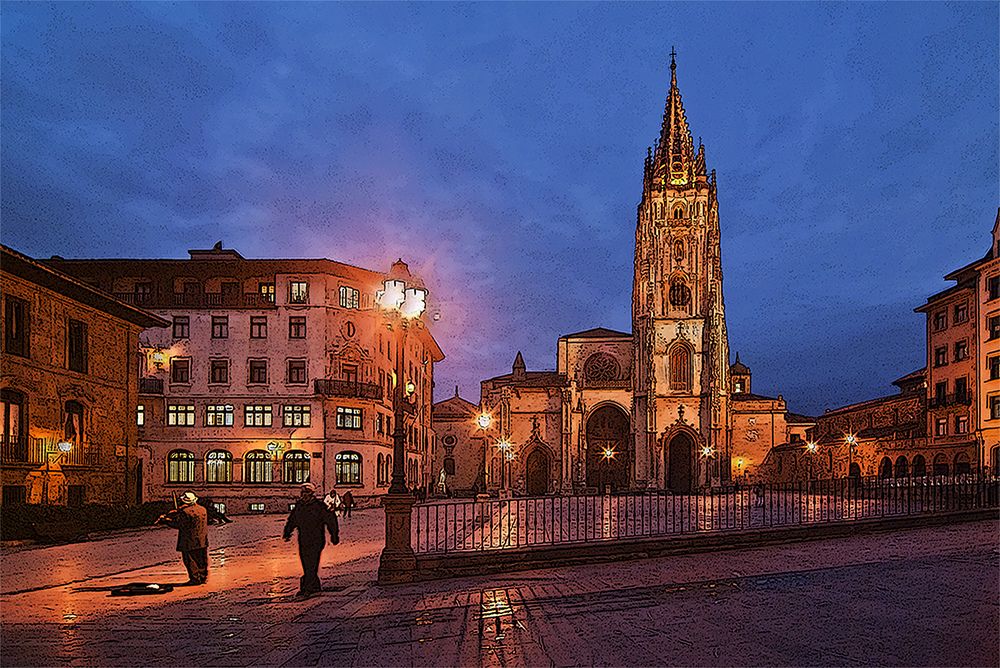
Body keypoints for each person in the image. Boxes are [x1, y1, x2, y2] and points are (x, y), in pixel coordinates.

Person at [284, 483, 339, 598]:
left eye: (307, 493)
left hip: (316, 539)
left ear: (312, 494)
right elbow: (292, 520)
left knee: (312, 562)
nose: (304, 495)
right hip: (303, 539)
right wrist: (287, 532)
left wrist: (334, 535)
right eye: (303, 493)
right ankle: (313, 585)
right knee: (305, 561)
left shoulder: (319, 506)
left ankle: (307, 586)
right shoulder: (299, 506)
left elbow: (330, 520)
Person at [157, 491, 209, 585]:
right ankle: (203, 577)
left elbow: (179, 524)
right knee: (201, 559)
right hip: (202, 539)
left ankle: (195, 579)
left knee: (190, 560)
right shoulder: (202, 509)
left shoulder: (185, 512)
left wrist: (166, 521)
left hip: (189, 540)